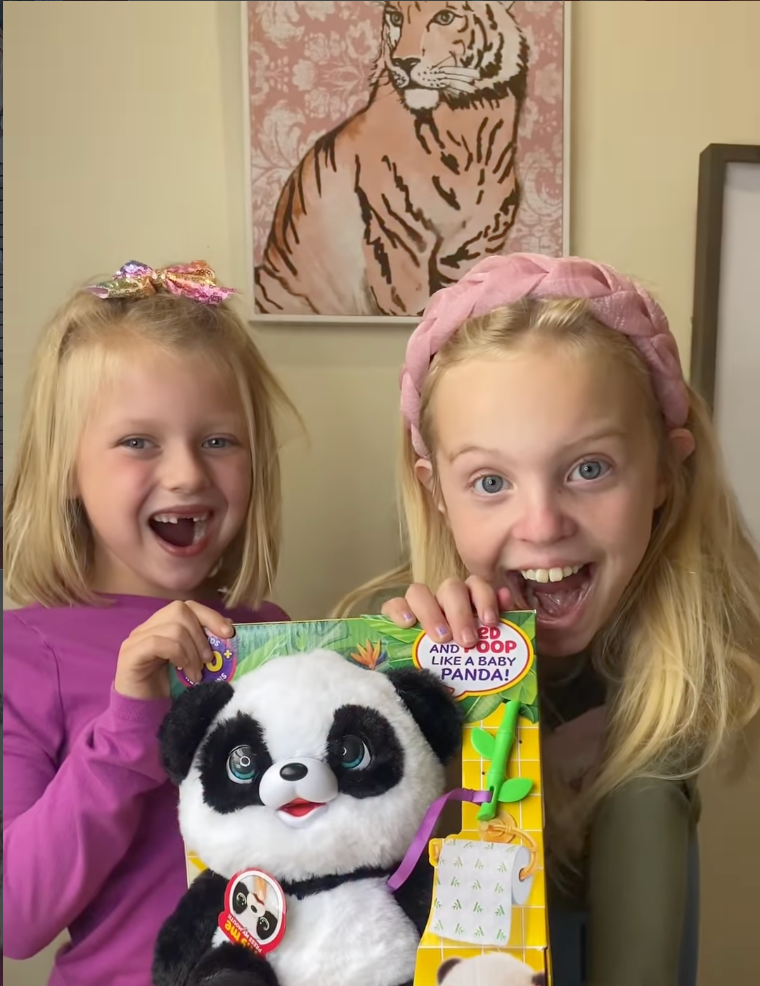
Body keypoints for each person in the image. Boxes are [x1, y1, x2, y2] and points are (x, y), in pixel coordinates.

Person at [337, 253, 760, 985]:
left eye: (589, 468)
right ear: (436, 491)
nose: (542, 524)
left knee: (647, 787)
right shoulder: (391, 648)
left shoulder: (685, 670)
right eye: (492, 482)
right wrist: (408, 716)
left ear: (664, 470)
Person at [3, 261, 295, 986]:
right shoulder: (25, 655)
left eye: (219, 441)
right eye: (139, 442)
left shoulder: (274, 633)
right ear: (68, 468)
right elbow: (17, 917)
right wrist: (130, 718)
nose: (188, 475)